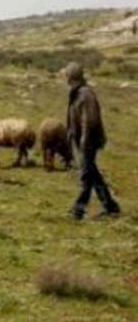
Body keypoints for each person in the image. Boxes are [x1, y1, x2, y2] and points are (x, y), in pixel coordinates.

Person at [62, 62, 121, 220]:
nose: (64, 78)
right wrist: (70, 132)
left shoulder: (85, 94)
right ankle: (111, 207)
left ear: (72, 76)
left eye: (66, 75)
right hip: (82, 140)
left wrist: (84, 141)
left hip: (88, 142)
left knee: (85, 176)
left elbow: (89, 121)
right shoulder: (76, 92)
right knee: (93, 174)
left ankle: (77, 210)